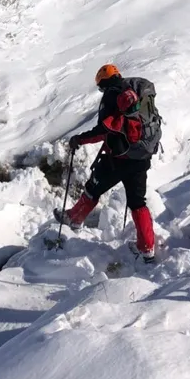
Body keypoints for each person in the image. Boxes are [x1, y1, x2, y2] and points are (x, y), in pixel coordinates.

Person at [55, 64, 162, 263]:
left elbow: (103, 130)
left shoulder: (113, 96)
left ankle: (73, 219)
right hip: (141, 156)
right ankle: (147, 248)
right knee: (138, 202)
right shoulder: (136, 93)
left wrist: (79, 139)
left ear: (103, 83)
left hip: (119, 159)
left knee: (93, 188)